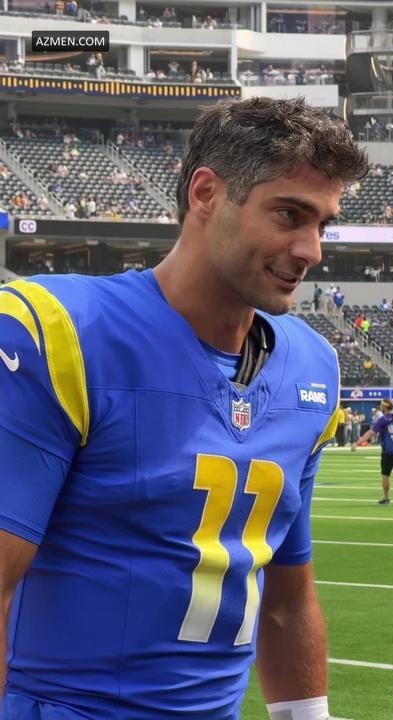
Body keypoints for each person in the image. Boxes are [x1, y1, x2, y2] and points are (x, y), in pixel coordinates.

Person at [0, 96, 367, 720]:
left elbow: (285, 596)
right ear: (205, 194)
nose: (311, 250)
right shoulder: (63, 332)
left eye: (323, 224)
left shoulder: (311, 366)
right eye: (289, 214)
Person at [352, 398, 393, 504]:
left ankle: (386, 498)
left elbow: (371, 432)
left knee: (385, 475)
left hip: (387, 452)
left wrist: (357, 443)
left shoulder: (383, 419)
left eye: (381, 405)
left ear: (385, 407)